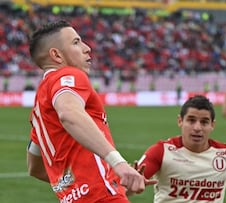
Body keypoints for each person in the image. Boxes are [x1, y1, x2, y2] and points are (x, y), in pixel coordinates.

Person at [26, 20, 154, 203]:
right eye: (76, 42)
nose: (87, 48)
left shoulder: (40, 108)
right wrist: (118, 164)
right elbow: (69, 113)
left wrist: (110, 181)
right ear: (56, 55)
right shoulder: (68, 74)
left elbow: (34, 167)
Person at [137, 95, 226, 203]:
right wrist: (133, 185)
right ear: (180, 121)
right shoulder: (161, 151)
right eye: (191, 120)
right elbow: (128, 184)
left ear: (212, 125)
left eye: (204, 122)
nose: (197, 128)